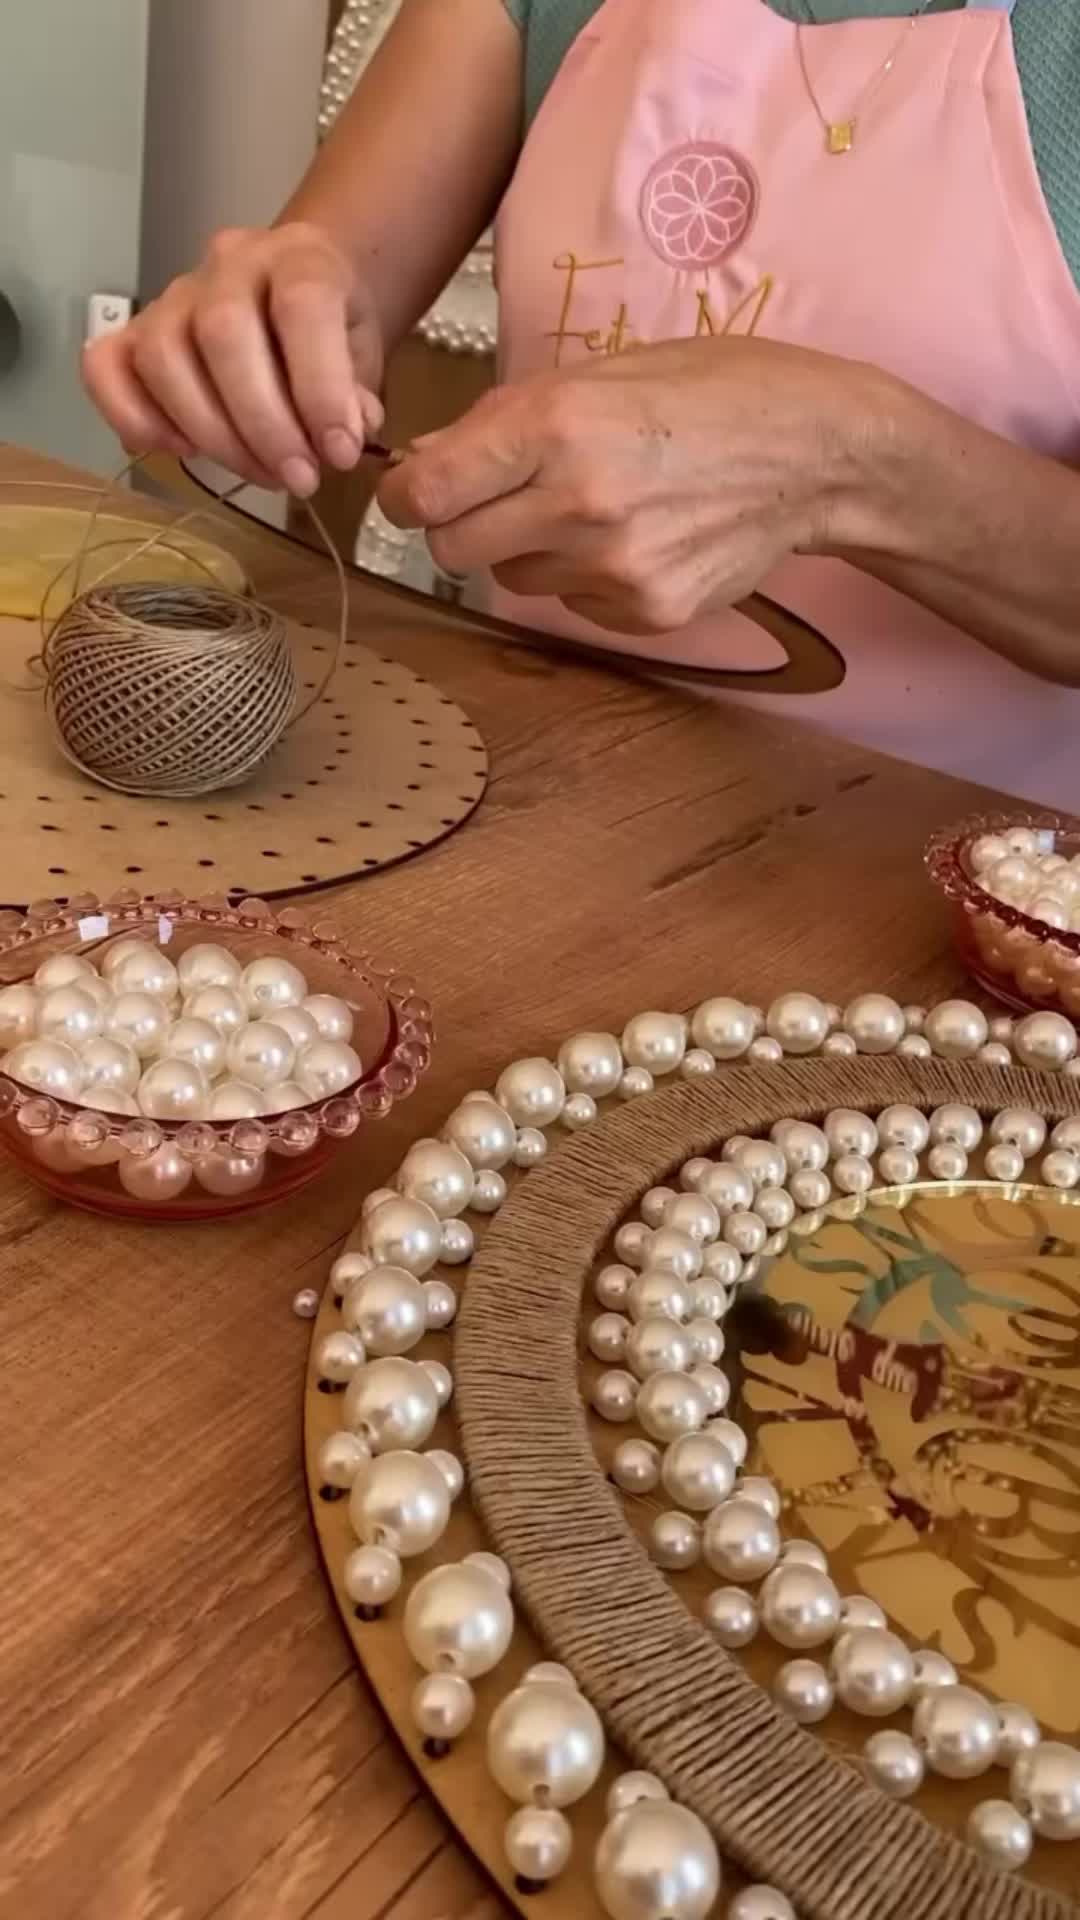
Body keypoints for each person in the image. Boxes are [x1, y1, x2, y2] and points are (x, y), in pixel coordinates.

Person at [84, 0, 1080, 806]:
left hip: (966, 912)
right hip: (544, 804)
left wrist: (849, 459)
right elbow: (335, 273)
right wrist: (274, 312)